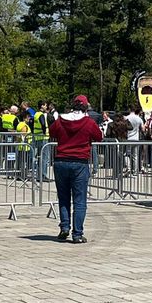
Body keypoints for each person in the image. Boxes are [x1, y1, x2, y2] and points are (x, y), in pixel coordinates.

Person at [49, 94, 104, 243]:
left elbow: (52, 132)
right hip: (79, 162)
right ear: (86, 107)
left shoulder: (61, 119)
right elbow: (99, 137)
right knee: (79, 200)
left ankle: (64, 227)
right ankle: (77, 234)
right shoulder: (88, 122)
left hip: (61, 161)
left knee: (63, 197)